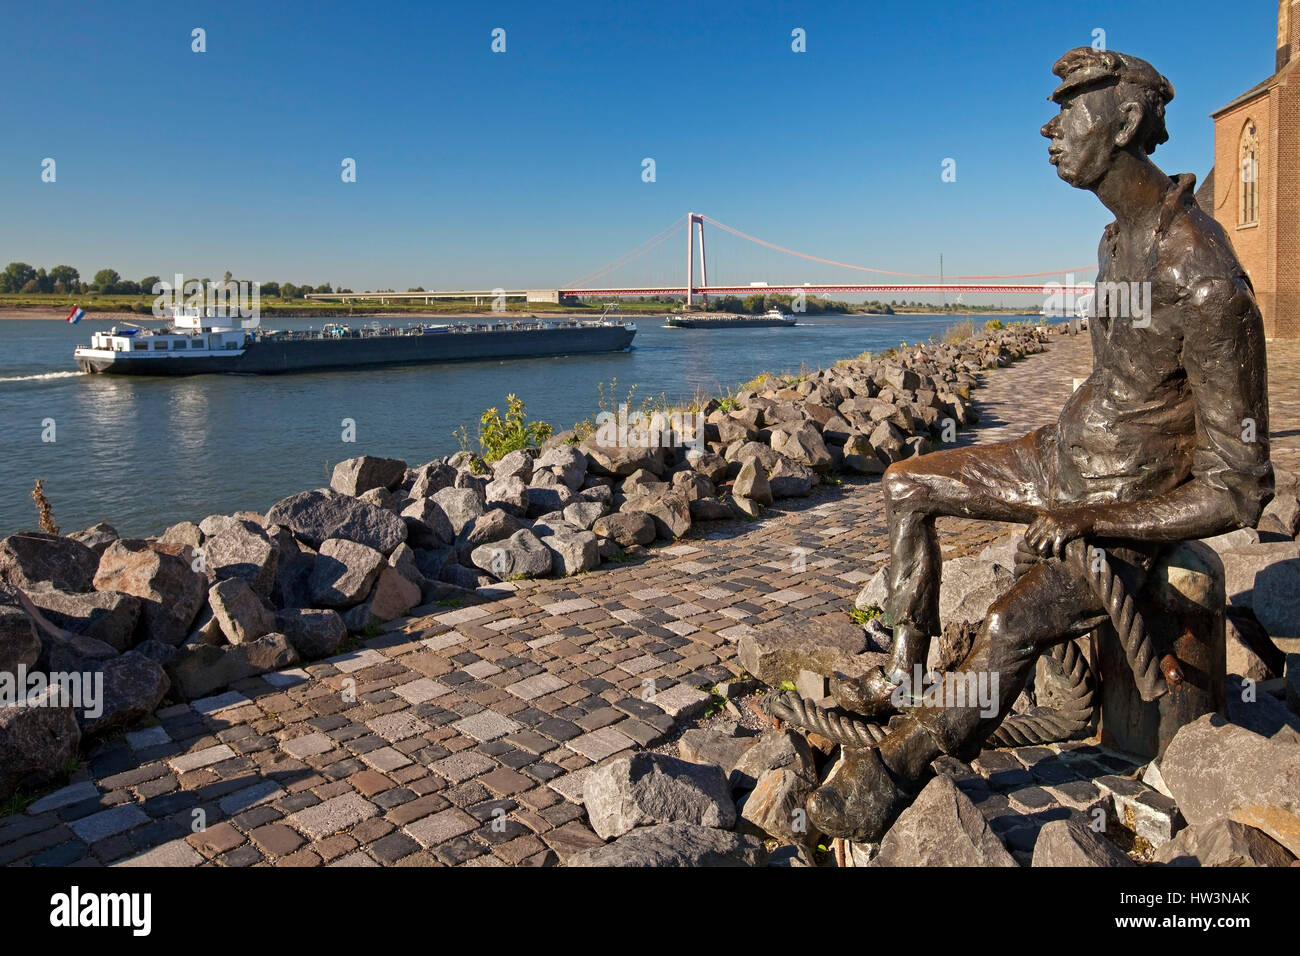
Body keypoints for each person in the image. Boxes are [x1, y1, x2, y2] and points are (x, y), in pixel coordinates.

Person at [807, 47, 1274, 842]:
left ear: (1125, 122)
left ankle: (889, 776)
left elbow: (1239, 490)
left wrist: (1099, 524)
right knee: (904, 484)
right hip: (1062, 455)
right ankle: (902, 679)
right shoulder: (1114, 241)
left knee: (1005, 626)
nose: (1048, 128)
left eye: (1071, 110)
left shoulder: (1207, 282)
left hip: (1123, 499)